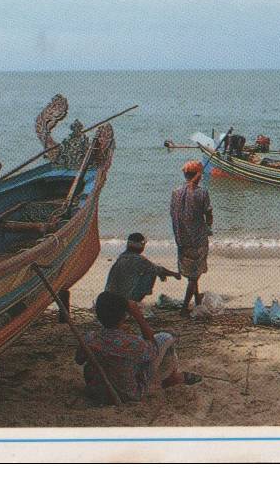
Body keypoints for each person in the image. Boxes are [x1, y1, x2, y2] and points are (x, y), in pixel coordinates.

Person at [75, 291, 202, 403]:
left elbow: (79, 360)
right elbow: (154, 351)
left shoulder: (89, 338)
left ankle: (171, 378)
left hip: (98, 392)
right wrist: (138, 316)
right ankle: (172, 378)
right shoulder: (132, 343)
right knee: (166, 338)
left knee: (95, 364)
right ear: (124, 316)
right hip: (129, 394)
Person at [170, 160, 213, 317]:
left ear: (184, 174)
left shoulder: (176, 192)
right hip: (197, 239)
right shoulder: (202, 192)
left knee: (193, 273)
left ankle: (197, 302)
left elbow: (173, 214)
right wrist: (208, 225)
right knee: (194, 276)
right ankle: (184, 308)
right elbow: (208, 213)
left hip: (181, 239)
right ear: (198, 175)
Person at [105, 232, 181, 304]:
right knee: (151, 272)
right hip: (123, 300)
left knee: (151, 269)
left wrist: (161, 273)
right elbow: (159, 270)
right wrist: (175, 274)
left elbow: (157, 269)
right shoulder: (139, 259)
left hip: (110, 297)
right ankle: (134, 302)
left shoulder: (122, 256)